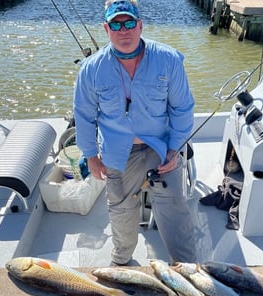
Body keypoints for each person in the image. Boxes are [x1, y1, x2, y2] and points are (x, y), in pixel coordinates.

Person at [74, 0, 197, 265]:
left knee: (174, 207)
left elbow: (183, 108)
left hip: (162, 147)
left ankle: (188, 266)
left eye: (129, 23)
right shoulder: (90, 69)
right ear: (106, 29)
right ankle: (122, 261)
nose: (124, 30)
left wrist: (175, 149)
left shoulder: (169, 60)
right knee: (120, 209)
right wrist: (91, 156)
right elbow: (84, 117)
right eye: (116, 25)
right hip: (118, 151)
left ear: (140, 25)